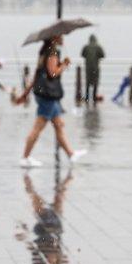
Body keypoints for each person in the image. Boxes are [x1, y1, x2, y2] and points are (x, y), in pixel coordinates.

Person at [18, 37, 87, 167]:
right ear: (55, 38)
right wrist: (64, 65)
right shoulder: (52, 52)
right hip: (48, 95)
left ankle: (71, 154)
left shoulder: (44, 52)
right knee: (38, 127)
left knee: (58, 125)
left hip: (44, 94)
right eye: (61, 36)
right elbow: (53, 73)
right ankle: (25, 157)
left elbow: (38, 74)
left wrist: (26, 93)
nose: (63, 38)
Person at [80, 35, 105, 104]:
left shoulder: (86, 47)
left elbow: (82, 54)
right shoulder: (98, 47)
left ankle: (87, 97)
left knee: (88, 82)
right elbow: (103, 55)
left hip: (88, 68)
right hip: (96, 68)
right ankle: (94, 97)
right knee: (95, 82)